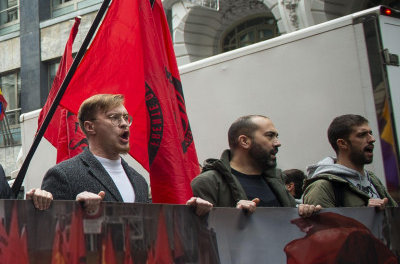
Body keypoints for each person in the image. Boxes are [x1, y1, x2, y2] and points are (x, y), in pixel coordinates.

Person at [42, 94, 211, 215]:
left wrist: (192, 213)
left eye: (125, 117)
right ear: (90, 127)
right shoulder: (63, 174)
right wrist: (77, 210)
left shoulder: (139, 181)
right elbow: (51, 233)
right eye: (114, 117)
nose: (124, 124)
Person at [190, 115, 320, 217]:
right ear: (244, 141)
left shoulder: (278, 180)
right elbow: (202, 234)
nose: (278, 143)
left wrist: (303, 213)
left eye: (276, 136)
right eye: (270, 136)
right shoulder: (209, 183)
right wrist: (234, 217)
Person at [302, 114, 396, 208]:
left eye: (370, 133)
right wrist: (366, 213)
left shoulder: (372, 179)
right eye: (362, 135)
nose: (372, 139)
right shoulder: (322, 187)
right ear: (342, 143)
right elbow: (323, 218)